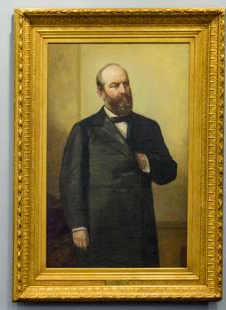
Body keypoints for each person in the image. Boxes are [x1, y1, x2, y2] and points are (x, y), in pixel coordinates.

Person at [59, 63, 177, 267]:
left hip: (140, 227)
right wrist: (78, 226)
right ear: (100, 92)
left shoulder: (148, 126)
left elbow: (169, 171)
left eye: (126, 84)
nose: (124, 91)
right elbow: (71, 182)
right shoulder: (84, 129)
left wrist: (146, 162)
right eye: (115, 85)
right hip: (100, 227)